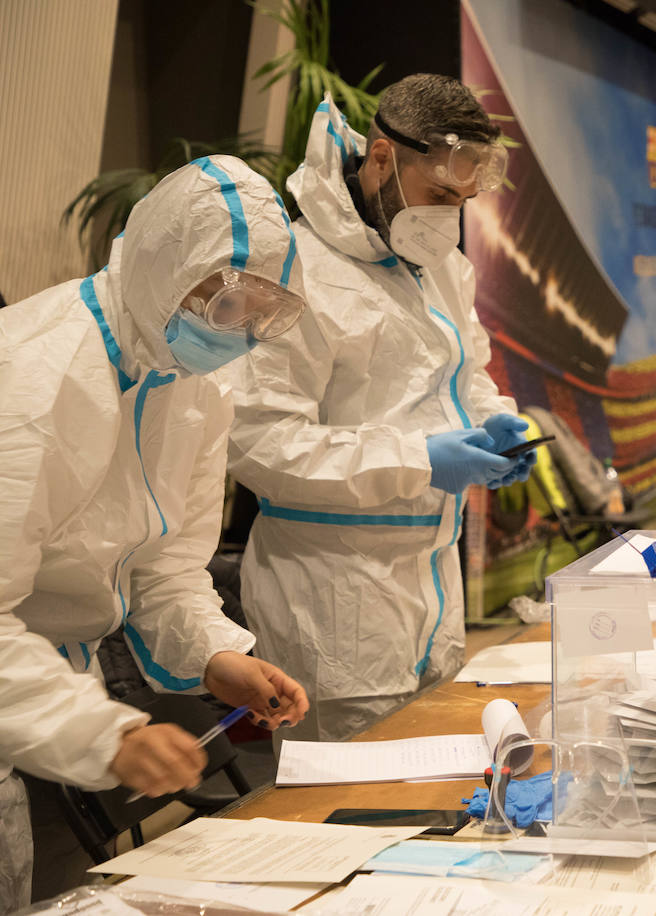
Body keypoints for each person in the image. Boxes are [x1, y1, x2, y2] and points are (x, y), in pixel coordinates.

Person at [0, 156, 311, 912]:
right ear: (161, 267)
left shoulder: (192, 387)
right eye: (224, 304)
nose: (239, 332)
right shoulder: (33, 382)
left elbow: (167, 571)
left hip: (48, 693)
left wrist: (216, 654)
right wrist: (104, 736)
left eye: (259, 312)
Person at [226, 76, 533, 744]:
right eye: (440, 195)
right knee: (345, 821)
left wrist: (495, 426)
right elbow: (259, 442)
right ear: (383, 158)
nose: (449, 217)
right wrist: (418, 459)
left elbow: (465, 373)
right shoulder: (296, 268)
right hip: (333, 606)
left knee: (425, 808)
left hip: (430, 589)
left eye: (463, 201)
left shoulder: (441, 267)